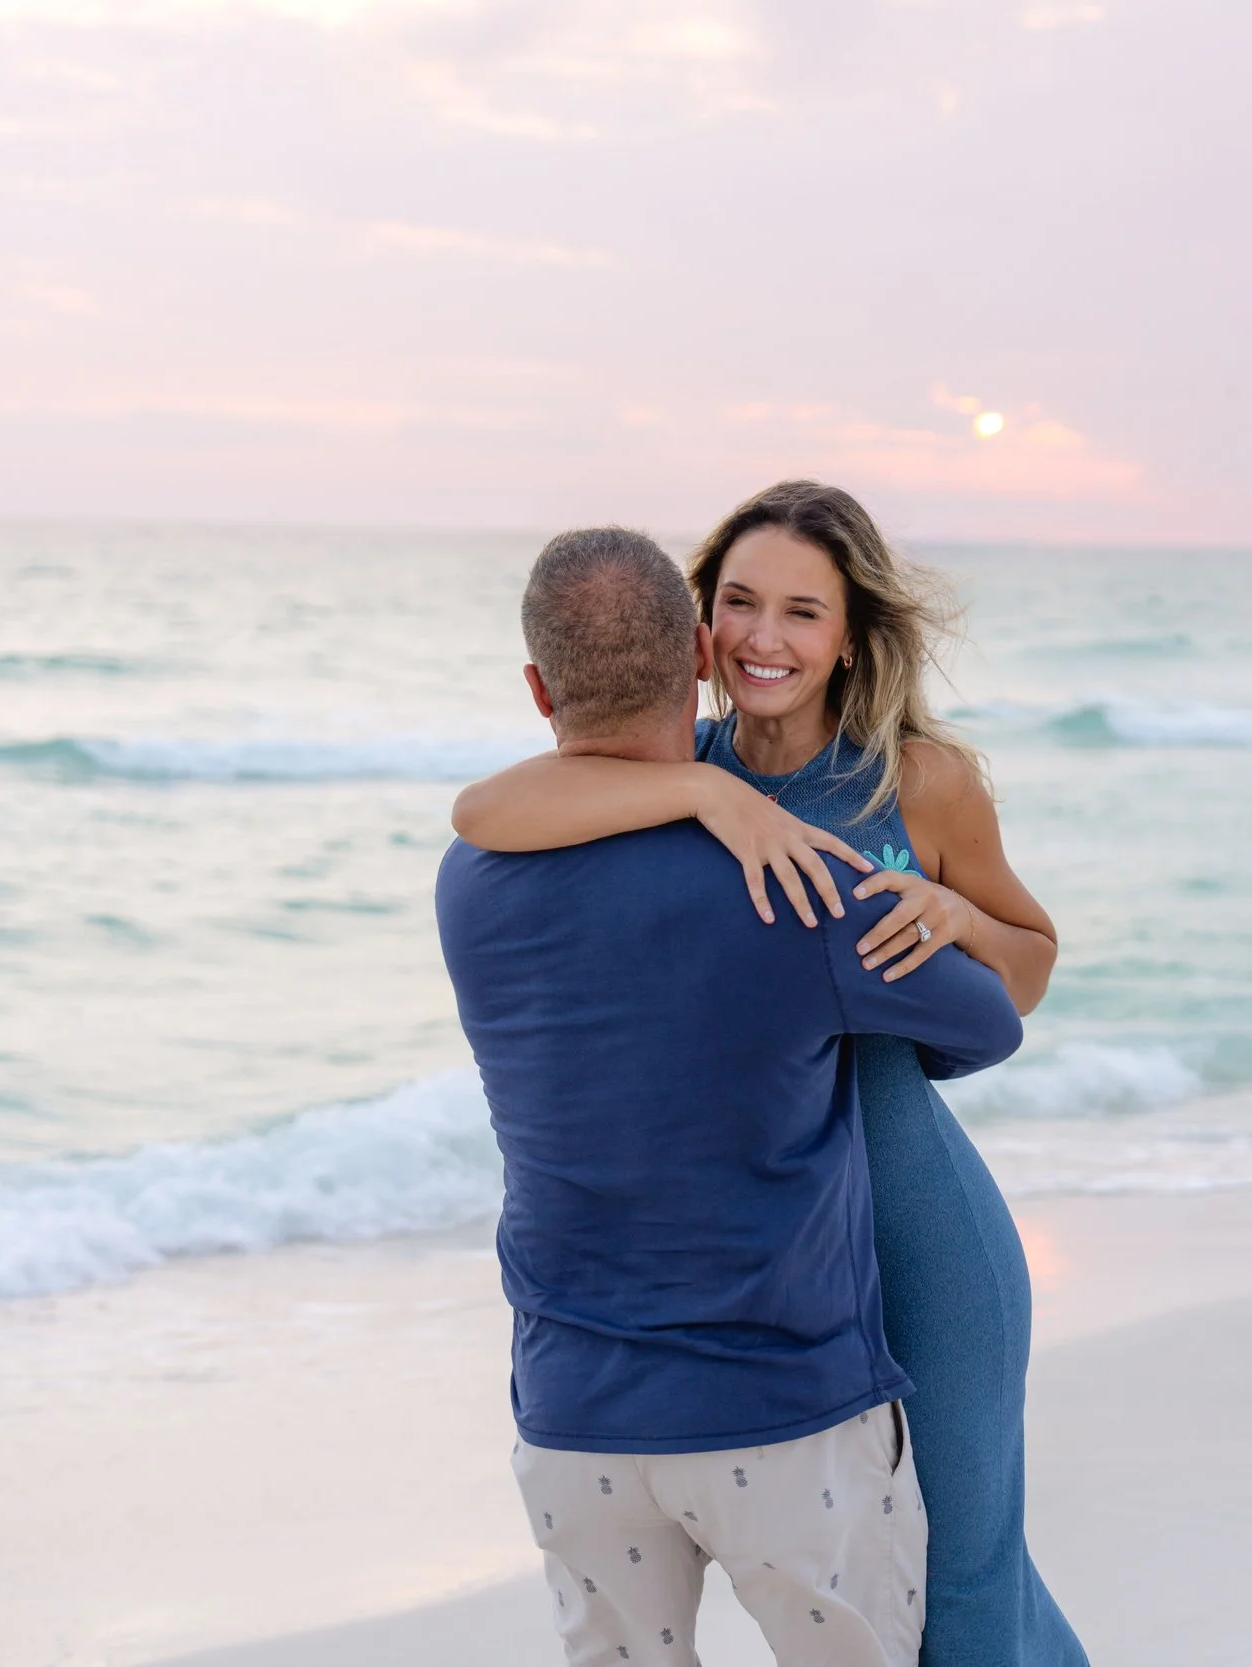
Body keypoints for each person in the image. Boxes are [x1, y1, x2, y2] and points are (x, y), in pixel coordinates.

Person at [454, 482, 1090, 1667]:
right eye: (738, 602)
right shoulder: (668, 758)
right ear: (696, 633)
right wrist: (706, 789)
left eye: (803, 611)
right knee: (893, 1556)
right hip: (782, 1244)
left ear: (850, 635)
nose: (764, 637)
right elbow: (484, 808)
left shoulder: (921, 779)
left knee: (962, 1559)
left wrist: (958, 917)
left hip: (913, 1210)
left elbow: (1030, 968)